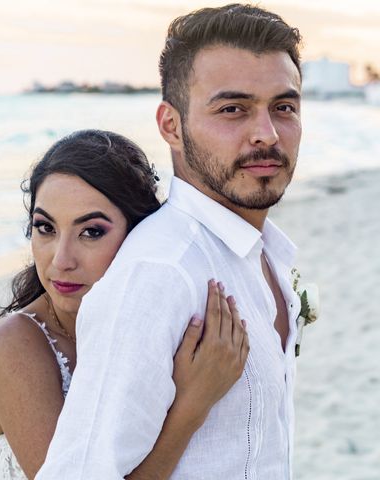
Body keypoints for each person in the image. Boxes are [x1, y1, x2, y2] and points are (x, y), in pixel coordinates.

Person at [37, 4, 303, 480]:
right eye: (232, 109)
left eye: (283, 107)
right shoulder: (160, 273)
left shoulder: (265, 256)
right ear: (170, 126)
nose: (266, 134)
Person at [0, 130, 249, 479]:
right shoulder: (13, 346)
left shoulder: (143, 324)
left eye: (91, 232)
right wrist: (192, 406)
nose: (61, 260)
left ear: (138, 236)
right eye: (45, 228)